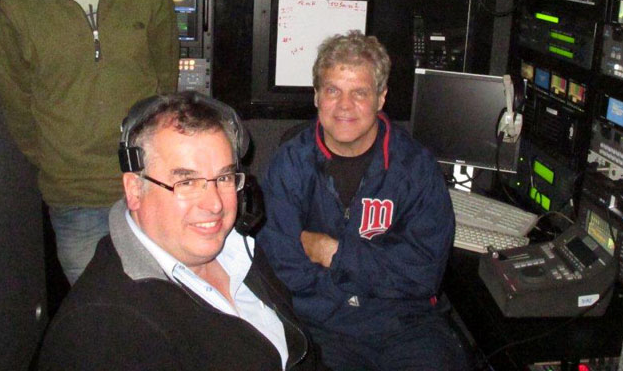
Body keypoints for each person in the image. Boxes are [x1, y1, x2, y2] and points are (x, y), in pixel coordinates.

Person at [0, 0, 179, 284]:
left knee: (161, 313)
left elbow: (166, 81)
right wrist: (61, 163)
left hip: (151, 186)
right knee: (101, 322)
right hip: (75, 200)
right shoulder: (14, 3)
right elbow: (18, 107)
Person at [37, 91, 320, 370]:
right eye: (186, 183)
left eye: (223, 177)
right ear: (135, 189)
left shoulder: (238, 249)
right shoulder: (103, 332)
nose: (214, 204)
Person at [258, 31, 468, 371]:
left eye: (359, 92)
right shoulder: (289, 164)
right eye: (333, 91)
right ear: (316, 97)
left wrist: (333, 253)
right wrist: (363, 285)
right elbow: (280, 265)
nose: (344, 105)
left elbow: (422, 273)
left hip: (406, 326)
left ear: (381, 98)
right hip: (322, 325)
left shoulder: (416, 168)